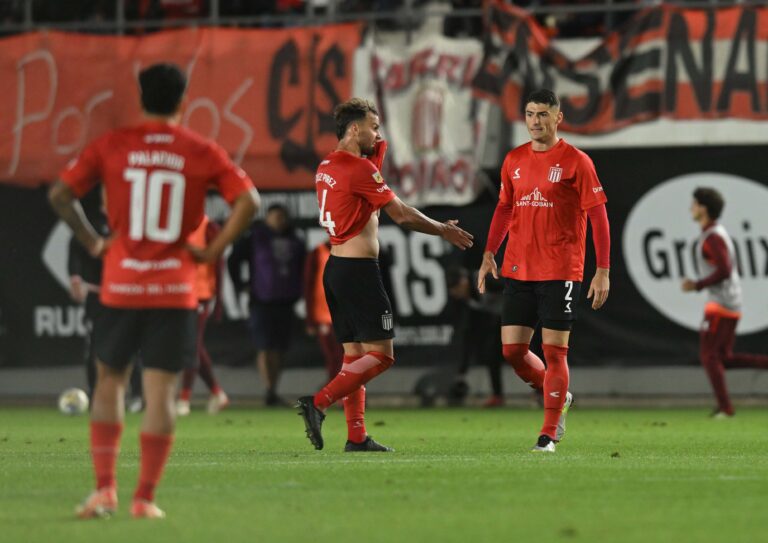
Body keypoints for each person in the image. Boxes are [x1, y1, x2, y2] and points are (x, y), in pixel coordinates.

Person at [48, 62, 258, 519]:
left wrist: (93, 241)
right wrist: (211, 251)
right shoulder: (200, 150)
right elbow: (250, 201)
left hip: (121, 286)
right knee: (161, 393)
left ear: (140, 99)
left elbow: (60, 194)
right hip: (174, 289)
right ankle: (144, 498)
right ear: (184, 102)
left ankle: (105, 490)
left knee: (110, 383)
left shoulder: (113, 145)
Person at [296, 97, 473, 452]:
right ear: (354, 128)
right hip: (359, 271)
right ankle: (318, 402)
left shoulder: (327, 165)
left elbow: (363, 198)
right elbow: (402, 215)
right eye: (373, 127)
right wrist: (442, 230)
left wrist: (374, 156)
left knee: (353, 357)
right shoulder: (359, 170)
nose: (378, 134)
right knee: (381, 355)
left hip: (336, 270)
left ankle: (357, 436)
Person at [477, 89, 610, 453]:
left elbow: (598, 216)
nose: (535, 121)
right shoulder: (514, 160)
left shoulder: (576, 161)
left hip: (560, 268)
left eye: (542, 115)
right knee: (513, 351)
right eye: (530, 114)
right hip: (518, 267)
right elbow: (505, 208)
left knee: (555, 353)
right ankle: (559, 395)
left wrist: (603, 270)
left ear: (558, 118)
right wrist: (490, 252)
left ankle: (548, 433)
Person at [681, 187, 768, 418]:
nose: (691, 208)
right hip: (728, 302)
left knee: (709, 357)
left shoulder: (713, 237)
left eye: (695, 204)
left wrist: (697, 285)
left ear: (704, 208)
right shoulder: (714, 233)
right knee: (724, 359)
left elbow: (725, 269)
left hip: (721, 303)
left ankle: (726, 409)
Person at [67, 189, 144, 413]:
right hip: (98, 295)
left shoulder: (133, 223)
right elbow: (76, 248)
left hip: (126, 295)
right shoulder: (92, 223)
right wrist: (75, 278)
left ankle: (137, 396)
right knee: (94, 347)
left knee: (132, 347)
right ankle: (94, 396)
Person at [229, 203, 305, 406]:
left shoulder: (295, 239)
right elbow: (233, 259)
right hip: (261, 300)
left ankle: (273, 389)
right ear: (267, 218)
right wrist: (241, 284)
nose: (280, 220)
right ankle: (269, 389)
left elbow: (303, 268)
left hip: (286, 301)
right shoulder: (255, 237)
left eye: (282, 216)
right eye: (275, 216)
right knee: (264, 346)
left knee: (280, 348)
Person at [176, 215, 230, 416]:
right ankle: (217, 393)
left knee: (191, 345)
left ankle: (184, 399)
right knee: (188, 346)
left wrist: (218, 299)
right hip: (176, 292)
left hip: (199, 294)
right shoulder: (174, 222)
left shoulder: (208, 227)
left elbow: (218, 262)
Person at [304, 240, 344, 382]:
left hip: (348, 315)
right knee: (334, 356)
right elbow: (308, 287)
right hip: (324, 315)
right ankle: (337, 391)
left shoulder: (354, 249)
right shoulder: (318, 252)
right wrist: (310, 320)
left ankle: (343, 391)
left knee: (348, 357)